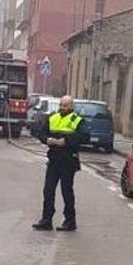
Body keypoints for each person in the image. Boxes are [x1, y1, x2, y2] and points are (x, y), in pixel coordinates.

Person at [32, 95, 87, 232]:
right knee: (48, 190)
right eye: (61, 105)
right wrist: (47, 140)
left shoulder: (77, 120)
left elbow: (84, 137)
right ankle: (46, 220)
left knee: (66, 191)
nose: (62, 108)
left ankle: (70, 221)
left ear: (71, 107)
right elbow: (41, 132)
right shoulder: (52, 118)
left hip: (69, 160)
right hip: (54, 160)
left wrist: (66, 141)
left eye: (65, 105)